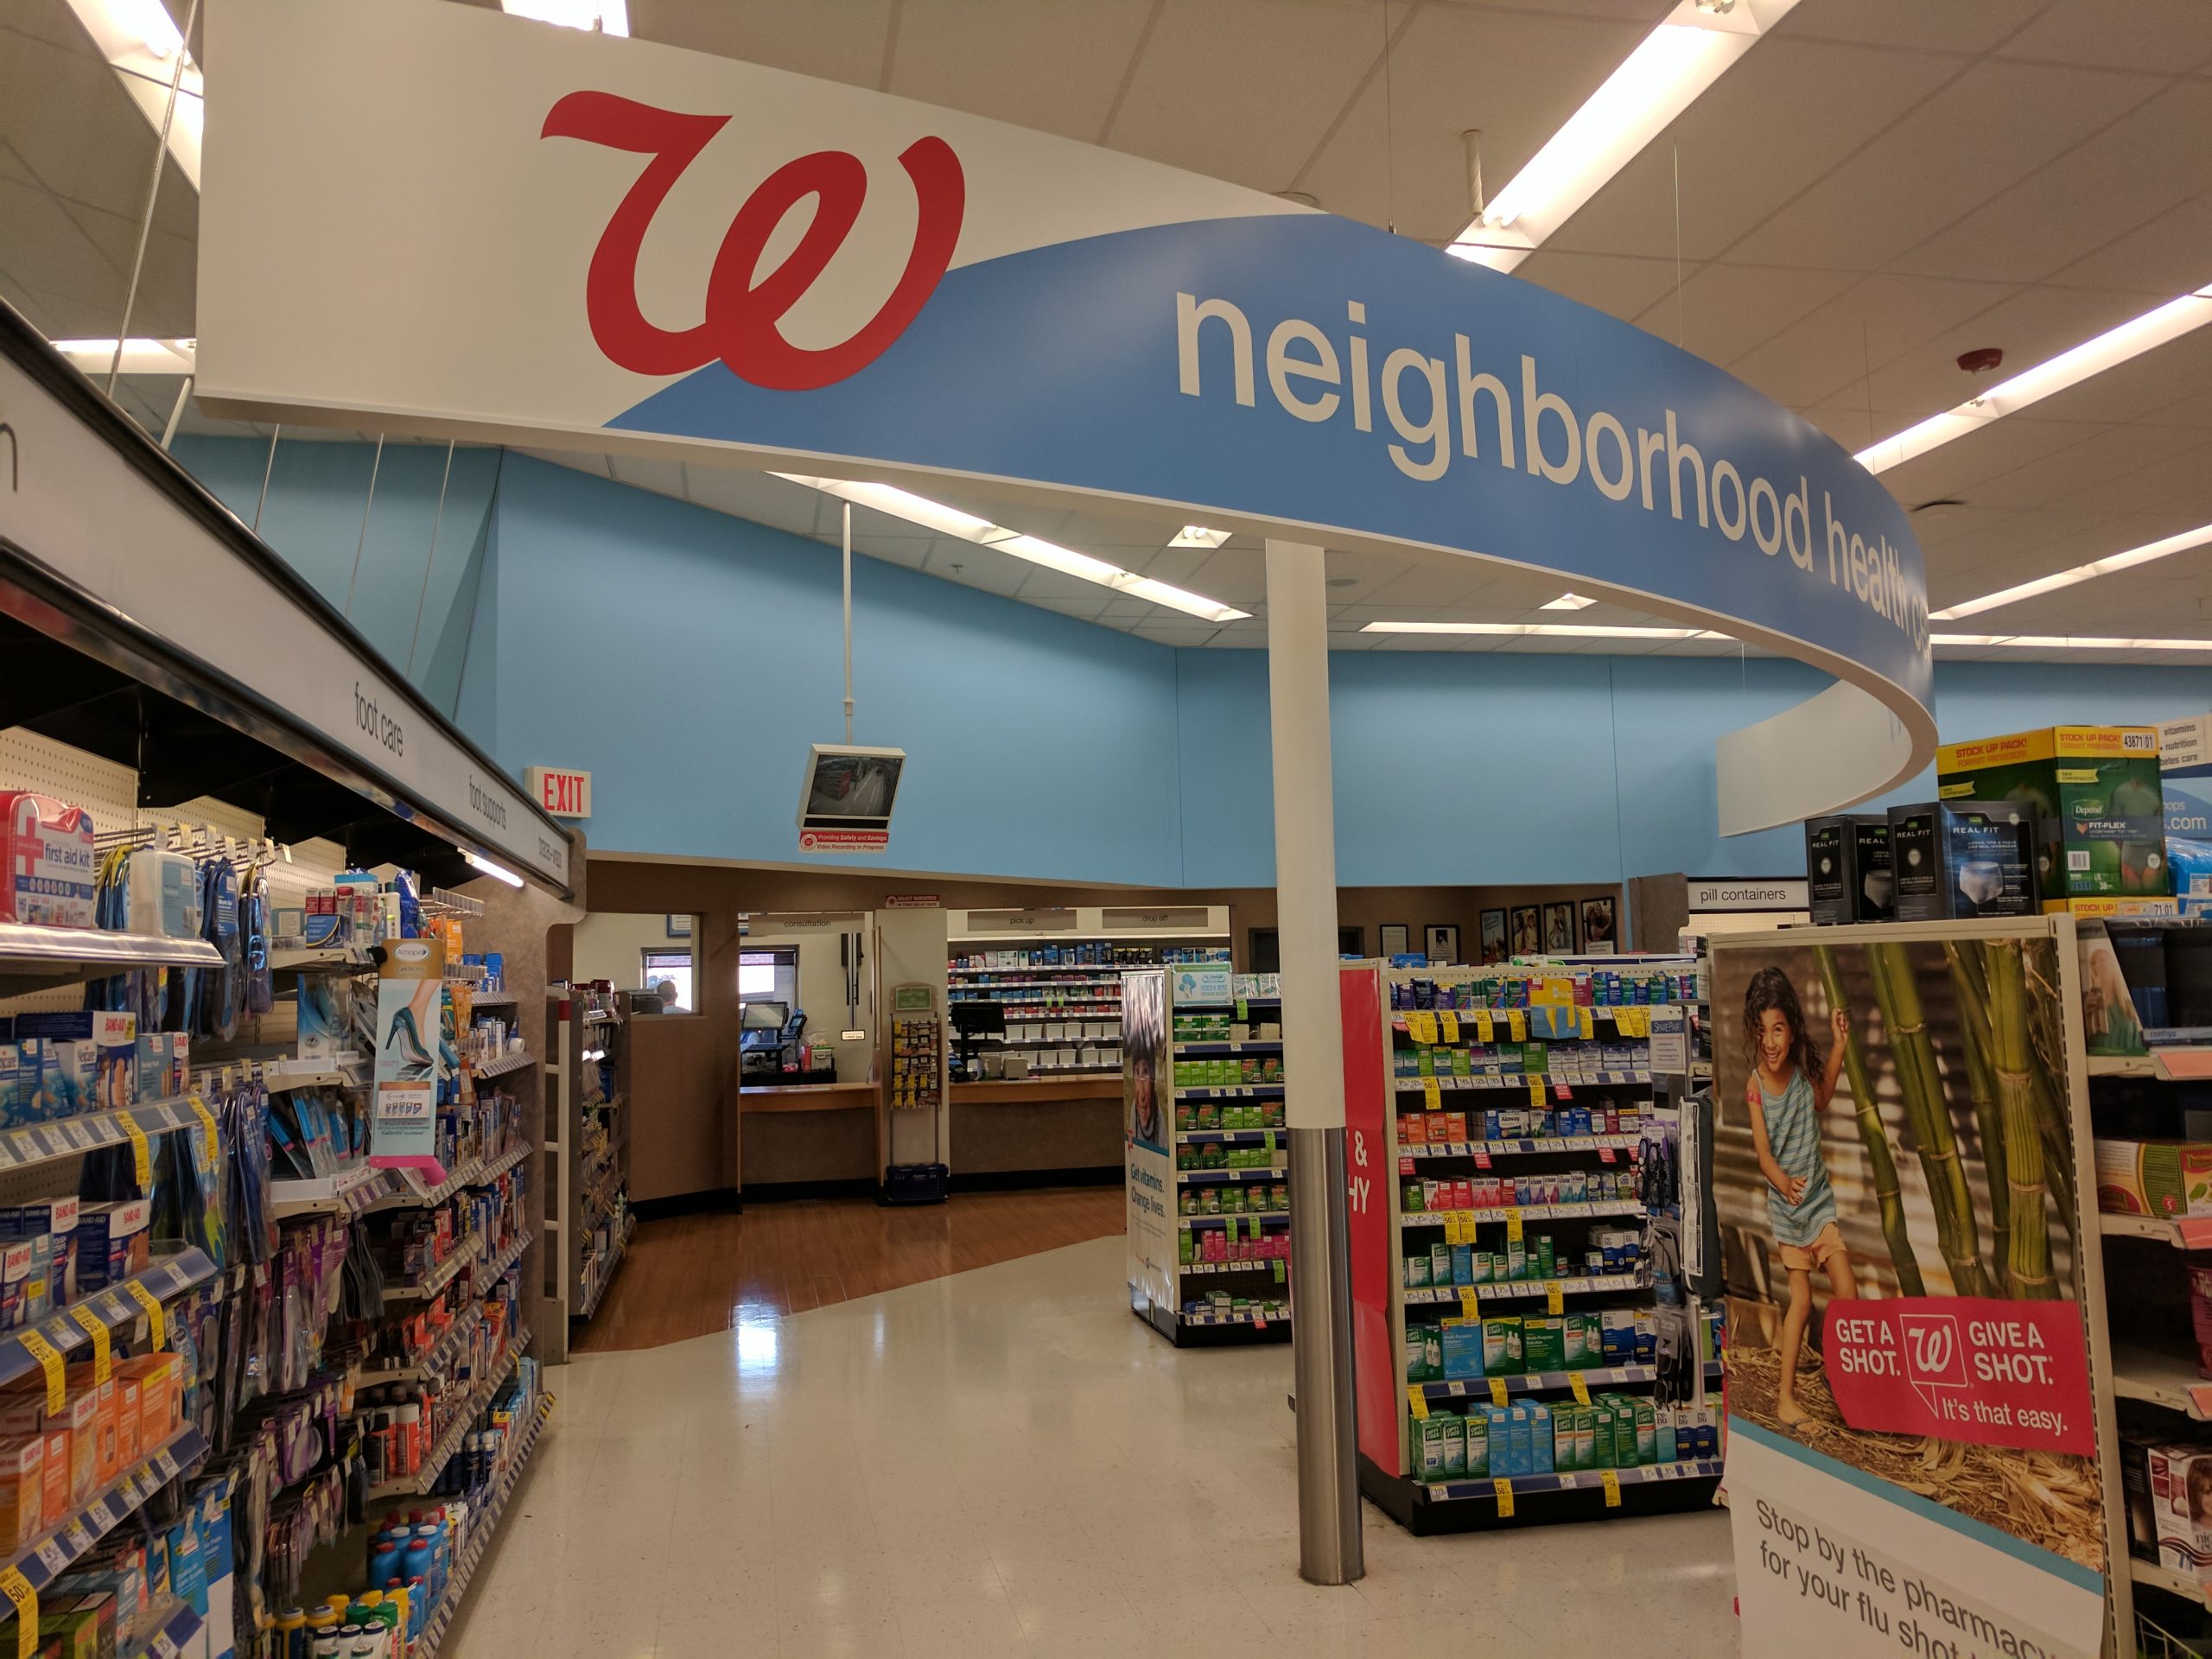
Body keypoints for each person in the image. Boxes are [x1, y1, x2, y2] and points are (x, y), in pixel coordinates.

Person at [1743, 965, 1856, 1429]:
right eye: (1762, 1030)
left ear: (1791, 1031)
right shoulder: (1755, 1087)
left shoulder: (1804, 1068)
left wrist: (1840, 1045)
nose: (1770, 1041)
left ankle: (1839, 1374)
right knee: (1803, 1300)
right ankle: (1786, 1398)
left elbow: (1823, 1097)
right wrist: (1782, 1181)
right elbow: (1763, 1155)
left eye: (1778, 1029)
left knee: (1847, 1291)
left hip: (1819, 1204)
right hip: (1788, 1211)